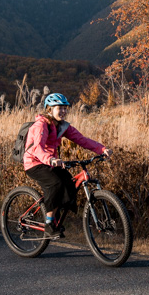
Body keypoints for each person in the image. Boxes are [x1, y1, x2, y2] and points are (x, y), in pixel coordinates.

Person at [23, 92, 110, 238]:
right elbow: (37, 148)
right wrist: (50, 159)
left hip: (50, 161)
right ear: (49, 109)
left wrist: (102, 149)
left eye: (65, 108)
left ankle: (55, 214)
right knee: (56, 184)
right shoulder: (41, 125)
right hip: (34, 162)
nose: (63, 111)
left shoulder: (62, 126)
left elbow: (82, 140)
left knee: (69, 183)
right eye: (59, 108)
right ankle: (49, 223)